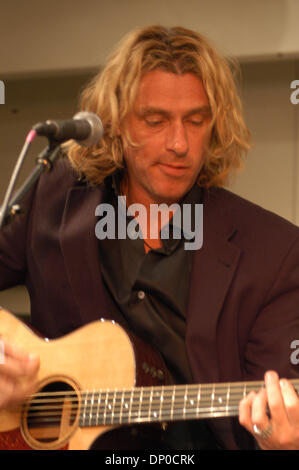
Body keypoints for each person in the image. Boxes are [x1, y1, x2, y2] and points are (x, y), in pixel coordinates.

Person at [0, 25, 299, 450]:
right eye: (155, 120)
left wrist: (281, 442)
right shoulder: (52, 197)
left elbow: (280, 410)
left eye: (195, 121)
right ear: (117, 123)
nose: (179, 144)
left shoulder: (276, 252)